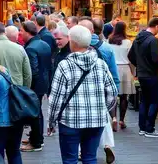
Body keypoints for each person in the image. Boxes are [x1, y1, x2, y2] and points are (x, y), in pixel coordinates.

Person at [48, 25, 118, 164]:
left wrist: (52, 121)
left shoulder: (64, 65)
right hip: (96, 120)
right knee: (90, 157)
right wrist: (103, 109)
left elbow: (55, 98)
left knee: (70, 159)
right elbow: (112, 91)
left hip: (70, 121)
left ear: (72, 42)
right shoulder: (100, 64)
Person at [79, 19, 119, 163]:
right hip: (100, 91)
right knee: (103, 118)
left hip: (81, 92)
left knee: (80, 120)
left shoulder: (76, 47)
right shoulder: (107, 48)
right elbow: (114, 75)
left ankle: (80, 150)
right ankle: (107, 144)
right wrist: (115, 96)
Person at [128, 17, 158, 138]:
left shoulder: (138, 38)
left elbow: (130, 56)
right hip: (151, 75)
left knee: (144, 101)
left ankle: (142, 128)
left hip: (141, 74)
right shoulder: (152, 40)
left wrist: (139, 65)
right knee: (155, 101)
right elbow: (155, 58)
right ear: (156, 26)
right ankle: (150, 129)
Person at [20, 21, 52, 152]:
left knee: (34, 114)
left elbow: (33, 71)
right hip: (43, 83)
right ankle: (37, 138)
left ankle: (36, 142)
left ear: (28, 32)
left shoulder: (31, 48)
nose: (20, 33)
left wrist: (28, 88)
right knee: (38, 112)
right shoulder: (44, 44)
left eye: (21, 31)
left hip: (35, 86)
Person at [108, 21, 135, 131]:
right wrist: (133, 72)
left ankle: (113, 118)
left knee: (113, 96)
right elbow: (131, 58)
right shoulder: (128, 42)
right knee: (124, 97)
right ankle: (122, 120)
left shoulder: (109, 41)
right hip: (125, 69)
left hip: (113, 69)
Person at [0, 22, 32, 87]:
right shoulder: (20, 48)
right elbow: (27, 74)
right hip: (17, 90)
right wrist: (25, 90)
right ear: (4, 32)